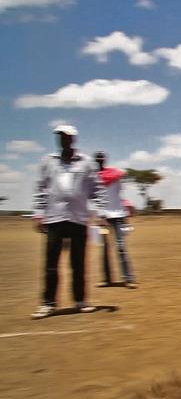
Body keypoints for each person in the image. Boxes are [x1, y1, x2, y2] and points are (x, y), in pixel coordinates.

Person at [31, 125, 106, 319]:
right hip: (55, 217)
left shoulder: (86, 163)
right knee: (51, 264)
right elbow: (41, 189)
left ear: (73, 139)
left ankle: (80, 301)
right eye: (60, 137)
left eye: (66, 137)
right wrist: (39, 213)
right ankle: (48, 303)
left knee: (78, 263)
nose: (62, 140)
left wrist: (101, 212)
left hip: (78, 219)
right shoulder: (48, 162)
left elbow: (96, 189)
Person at [94, 151, 138, 288]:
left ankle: (128, 278)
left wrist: (126, 205)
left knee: (121, 246)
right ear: (95, 160)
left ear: (105, 159)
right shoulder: (92, 178)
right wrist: (99, 215)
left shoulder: (115, 175)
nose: (100, 159)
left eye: (102, 157)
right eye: (98, 158)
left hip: (119, 216)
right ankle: (107, 279)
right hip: (103, 218)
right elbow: (94, 199)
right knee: (104, 248)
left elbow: (119, 193)